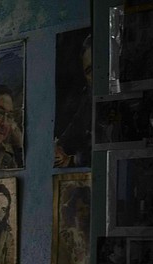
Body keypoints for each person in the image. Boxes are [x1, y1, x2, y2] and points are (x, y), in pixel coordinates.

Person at [54, 34, 92, 168]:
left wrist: (72, 160)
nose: (96, 75)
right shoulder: (88, 98)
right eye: (89, 71)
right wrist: (59, 146)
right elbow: (76, 126)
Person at [54, 185, 90, 264]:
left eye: (87, 209)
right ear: (73, 212)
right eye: (80, 210)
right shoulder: (66, 237)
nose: (86, 213)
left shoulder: (91, 236)